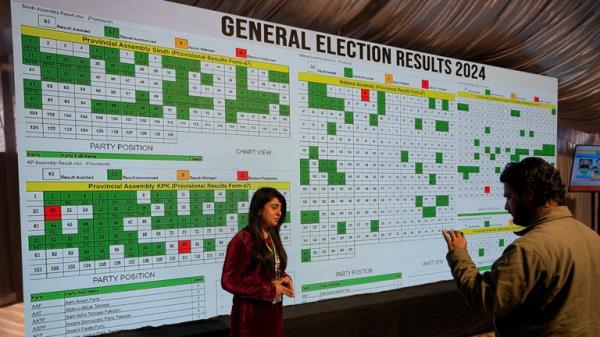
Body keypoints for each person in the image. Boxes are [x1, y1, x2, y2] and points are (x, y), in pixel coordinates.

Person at [442, 157, 600, 337]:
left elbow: (486, 300)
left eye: (509, 197)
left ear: (528, 193)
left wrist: (458, 253)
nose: (506, 206)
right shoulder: (590, 235)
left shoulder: (529, 249)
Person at [221, 187, 294, 337]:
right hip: (250, 319)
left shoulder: (271, 234)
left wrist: (283, 277)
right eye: (274, 207)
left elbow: (266, 268)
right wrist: (269, 289)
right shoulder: (242, 240)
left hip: (272, 314)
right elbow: (229, 281)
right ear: (259, 209)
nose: (279, 213)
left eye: (281, 208)